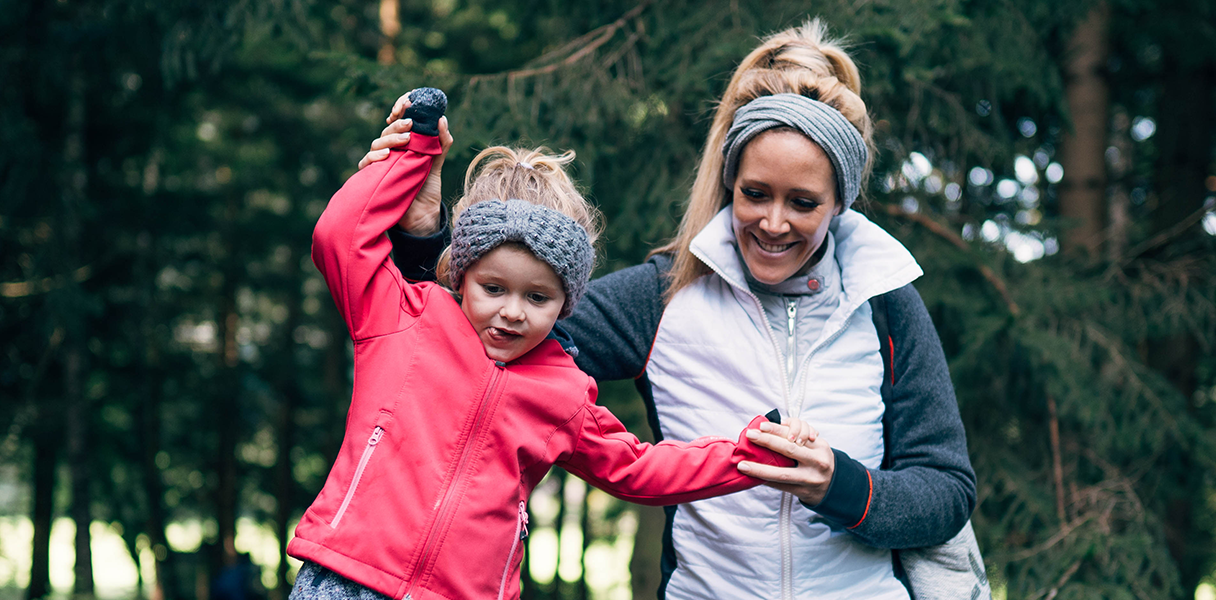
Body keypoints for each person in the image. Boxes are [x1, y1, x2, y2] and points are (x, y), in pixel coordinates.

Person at [382, 23, 985, 599]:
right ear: (729, 182)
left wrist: (841, 486)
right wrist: (421, 232)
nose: (773, 223)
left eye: (803, 203)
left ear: (840, 202)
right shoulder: (662, 295)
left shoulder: (886, 301)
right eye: (755, 194)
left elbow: (946, 489)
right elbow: (472, 334)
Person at [287, 88, 817, 600]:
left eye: (538, 297)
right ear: (461, 276)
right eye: (493, 288)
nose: (513, 311)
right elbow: (339, 237)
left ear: (566, 303)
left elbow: (640, 468)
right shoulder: (406, 318)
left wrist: (749, 451)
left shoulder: (562, 391)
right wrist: (409, 158)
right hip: (347, 580)